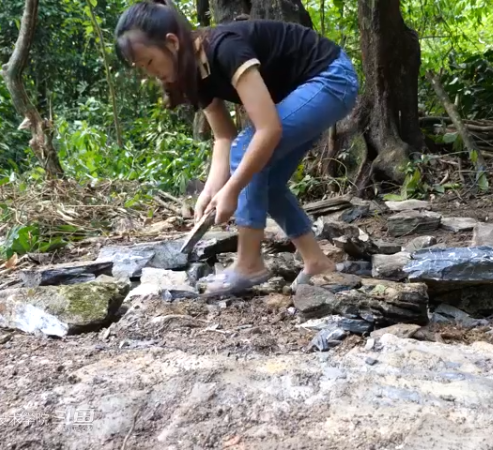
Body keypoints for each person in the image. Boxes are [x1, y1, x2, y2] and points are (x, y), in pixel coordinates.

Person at [115, 1, 358, 297]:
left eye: (150, 62)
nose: (152, 74)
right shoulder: (195, 74)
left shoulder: (225, 48)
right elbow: (223, 138)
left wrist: (231, 189)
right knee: (267, 181)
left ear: (172, 42)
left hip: (331, 78)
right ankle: (316, 262)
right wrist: (210, 191)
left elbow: (267, 129)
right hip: (305, 93)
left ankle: (249, 262)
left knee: (248, 149)